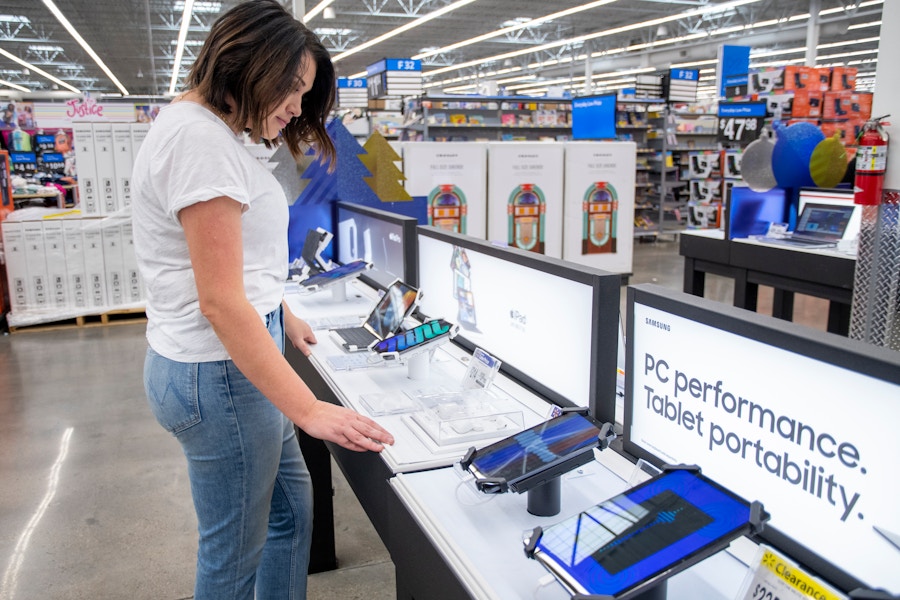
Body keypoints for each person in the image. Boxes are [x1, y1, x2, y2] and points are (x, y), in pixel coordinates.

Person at [130, 2, 394, 599]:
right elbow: (221, 303)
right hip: (221, 378)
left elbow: (236, 265)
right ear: (250, 66)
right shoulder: (201, 141)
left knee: (292, 513)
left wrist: (284, 311)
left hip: (236, 368)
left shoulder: (207, 129)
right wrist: (310, 410)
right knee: (231, 561)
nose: (297, 108)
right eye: (292, 89)